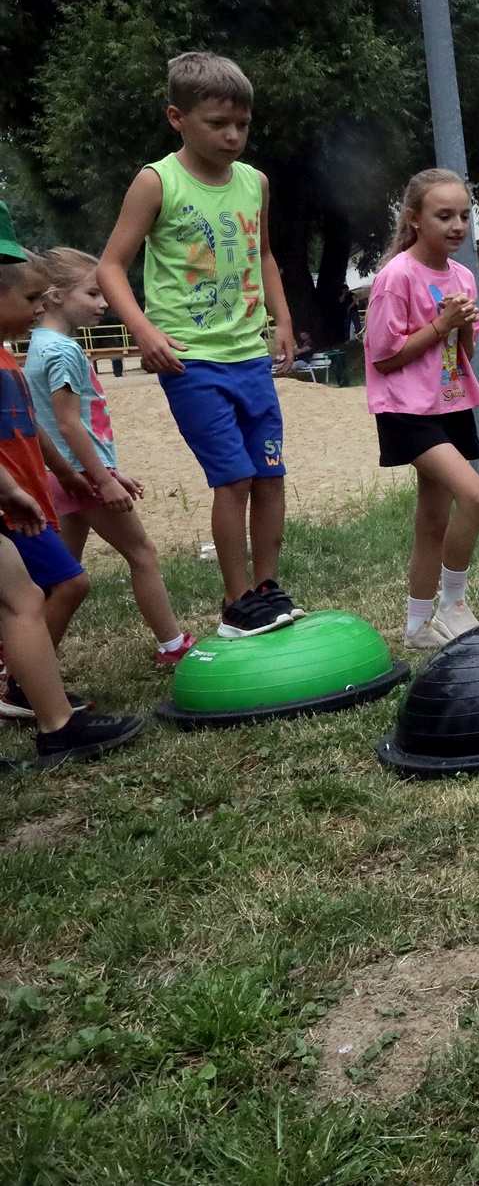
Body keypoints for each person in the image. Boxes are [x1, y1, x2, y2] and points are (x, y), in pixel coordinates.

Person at [97, 51, 303, 638]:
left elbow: (263, 255)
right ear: (177, 117)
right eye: (218, 124)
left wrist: (282, 320)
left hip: (248, 354)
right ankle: (237, 602)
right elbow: (112, 267)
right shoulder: (157, 181)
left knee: (269, 473)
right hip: (191, 359)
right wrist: (145, 332)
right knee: (232, 477)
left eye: (242, 124)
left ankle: (267, 587)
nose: (233, 135)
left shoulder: (255, 182)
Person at [0, 223, 145, 767]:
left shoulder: (9, 357)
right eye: (31, 298)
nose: (40, 309)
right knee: (49, 590)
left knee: (40, 593)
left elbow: (34, 432)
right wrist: (11, 488)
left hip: (23, 501)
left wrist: (64, 476)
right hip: (11, 505)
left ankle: (44, 711)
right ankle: (44, 712)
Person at [25, 248, 193, 669]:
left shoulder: (38, 346)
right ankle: (172, 645)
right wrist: (104, 479)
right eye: (93, 294)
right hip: (83, 477)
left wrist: (110, 472)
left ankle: (29, 659)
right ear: (56, 295)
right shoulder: (62, 351)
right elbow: (69, 425)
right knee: (142, 554)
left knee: (60, 577)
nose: (105, 304)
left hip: (59, 476)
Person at [365, 169, 479, 650]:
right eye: (444, 215)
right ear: (415, 219)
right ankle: (453, 605)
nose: (457, 225)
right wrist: (442, 324)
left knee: (432, 520)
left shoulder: (461, 276)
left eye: (463, 215)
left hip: (449, 403)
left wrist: (464, 328)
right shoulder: (396, 277)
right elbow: (385, 355)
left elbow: (465, 352)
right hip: (406, 411)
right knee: (475, 496)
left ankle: (417, 627)